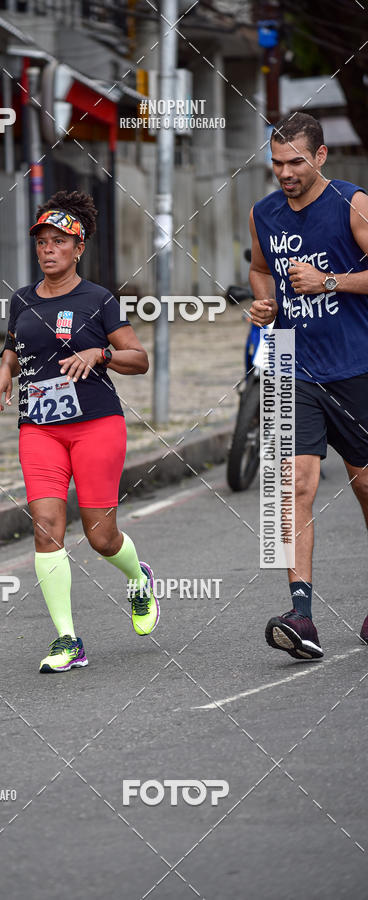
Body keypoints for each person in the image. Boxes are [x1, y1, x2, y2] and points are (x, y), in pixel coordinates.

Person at [0, 190, 159, 672]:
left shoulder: (98, 299)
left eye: (59, 240)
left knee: (101, 536)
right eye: (42, 240)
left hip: (96, 424)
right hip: (39, 428)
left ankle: (138, 580)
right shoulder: (21, 298)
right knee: (46, 530)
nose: (48, 248)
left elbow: (139, 360)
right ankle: (68, 639)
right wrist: (4, 373)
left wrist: (100, 354)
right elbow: (15, 345)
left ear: (78, 247)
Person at [248, 111, 368, 660]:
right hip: (291, 361)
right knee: (292, 483)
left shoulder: (352, 203)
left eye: (295, 162)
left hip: (355, 363)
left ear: (320, 156)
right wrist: (263, 302)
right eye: (276, 163)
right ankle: (301, 616)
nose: (285, 173)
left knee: (364, 484)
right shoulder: (264, 213)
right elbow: (258, 269)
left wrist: (330, 281)